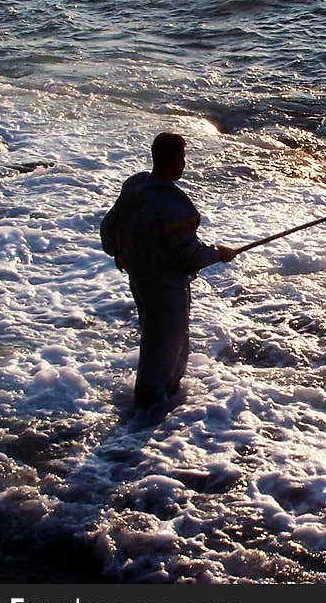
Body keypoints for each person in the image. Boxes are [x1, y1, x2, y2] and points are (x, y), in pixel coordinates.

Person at [100, 132, 236, 422]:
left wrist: (118, 252)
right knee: (164, 347)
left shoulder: (135, 185)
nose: (184, 163)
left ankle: (161, 406)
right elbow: (189, 256)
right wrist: (219, 254)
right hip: (166, 287)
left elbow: (110, 226)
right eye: (182, 157)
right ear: (173, 158)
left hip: (139, 279)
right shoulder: (175, 206)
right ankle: (147, 416)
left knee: (158, 339)